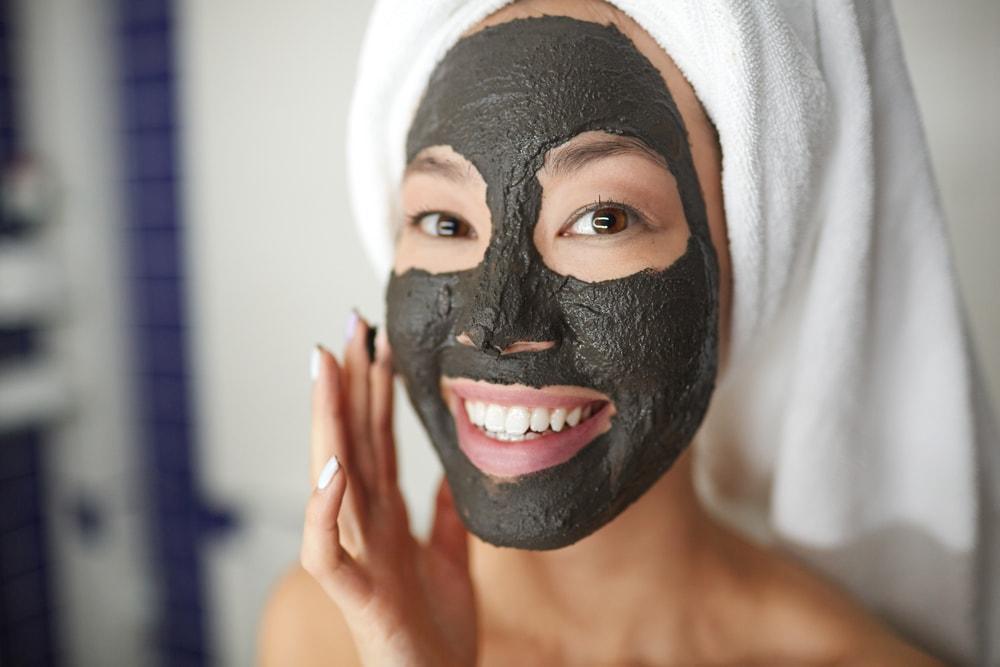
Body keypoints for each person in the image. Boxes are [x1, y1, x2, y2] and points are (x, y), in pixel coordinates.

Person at [260, 0, 992, 664]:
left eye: (602, 218)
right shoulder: (330, 634)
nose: (495, 325)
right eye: (445, 223)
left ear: (747, 251)